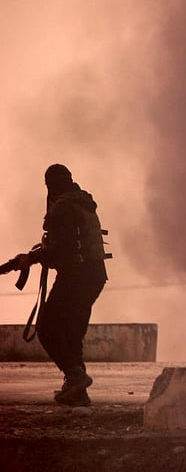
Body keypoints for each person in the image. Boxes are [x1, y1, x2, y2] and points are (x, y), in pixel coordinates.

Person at [15, 164, 109, 406]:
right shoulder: (82, 202)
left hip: (76, 276)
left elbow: (61, 249)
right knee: (72, 333)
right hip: (94, 276)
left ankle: (76, 377)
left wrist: (32, 258)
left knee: (47, 328)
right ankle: (78, 395)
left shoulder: (63, 207)